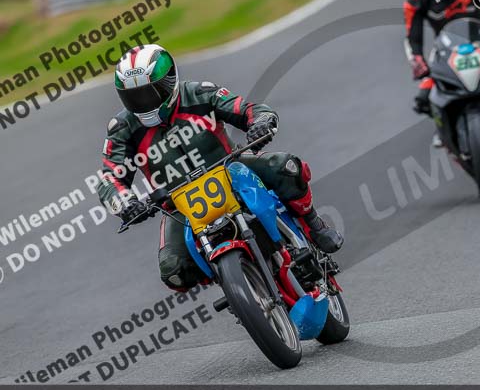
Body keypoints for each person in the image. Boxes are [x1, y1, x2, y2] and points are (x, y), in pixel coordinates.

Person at [98, 44, 343, 292]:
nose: (142, 103)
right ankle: (232, 282)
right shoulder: (122, 128)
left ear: (169, 81)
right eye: (133, 97)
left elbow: (245, 109)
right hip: (177, 202)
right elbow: (110, 178)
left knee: (286, 167)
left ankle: (314, 225)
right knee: (174, 272)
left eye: (149, 92)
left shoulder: (199, 93)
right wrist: (124, 203)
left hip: (231, 167)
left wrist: (261, 121)